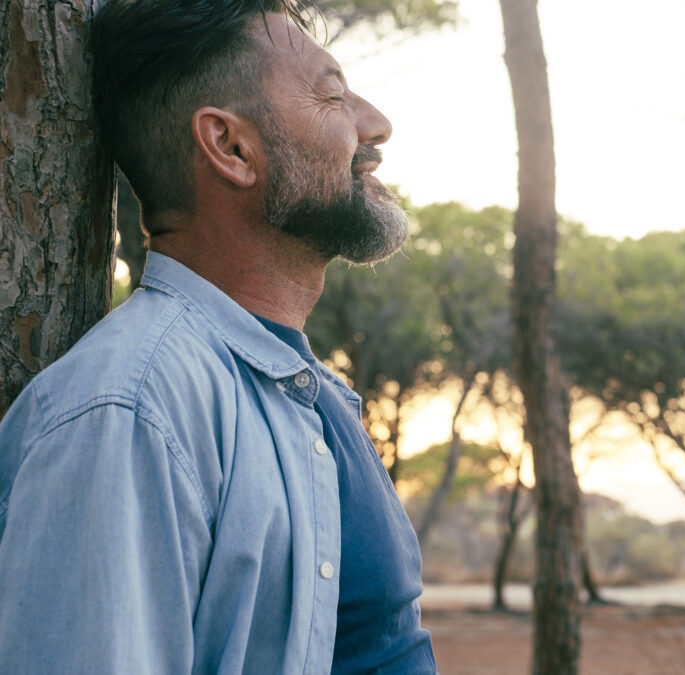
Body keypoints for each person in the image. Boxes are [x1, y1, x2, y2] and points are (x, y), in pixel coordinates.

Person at [0, 1, 436, 672]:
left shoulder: (313, 397)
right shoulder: (129, 412)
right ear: (230, 147)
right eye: (332, 96)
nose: (375, 124)